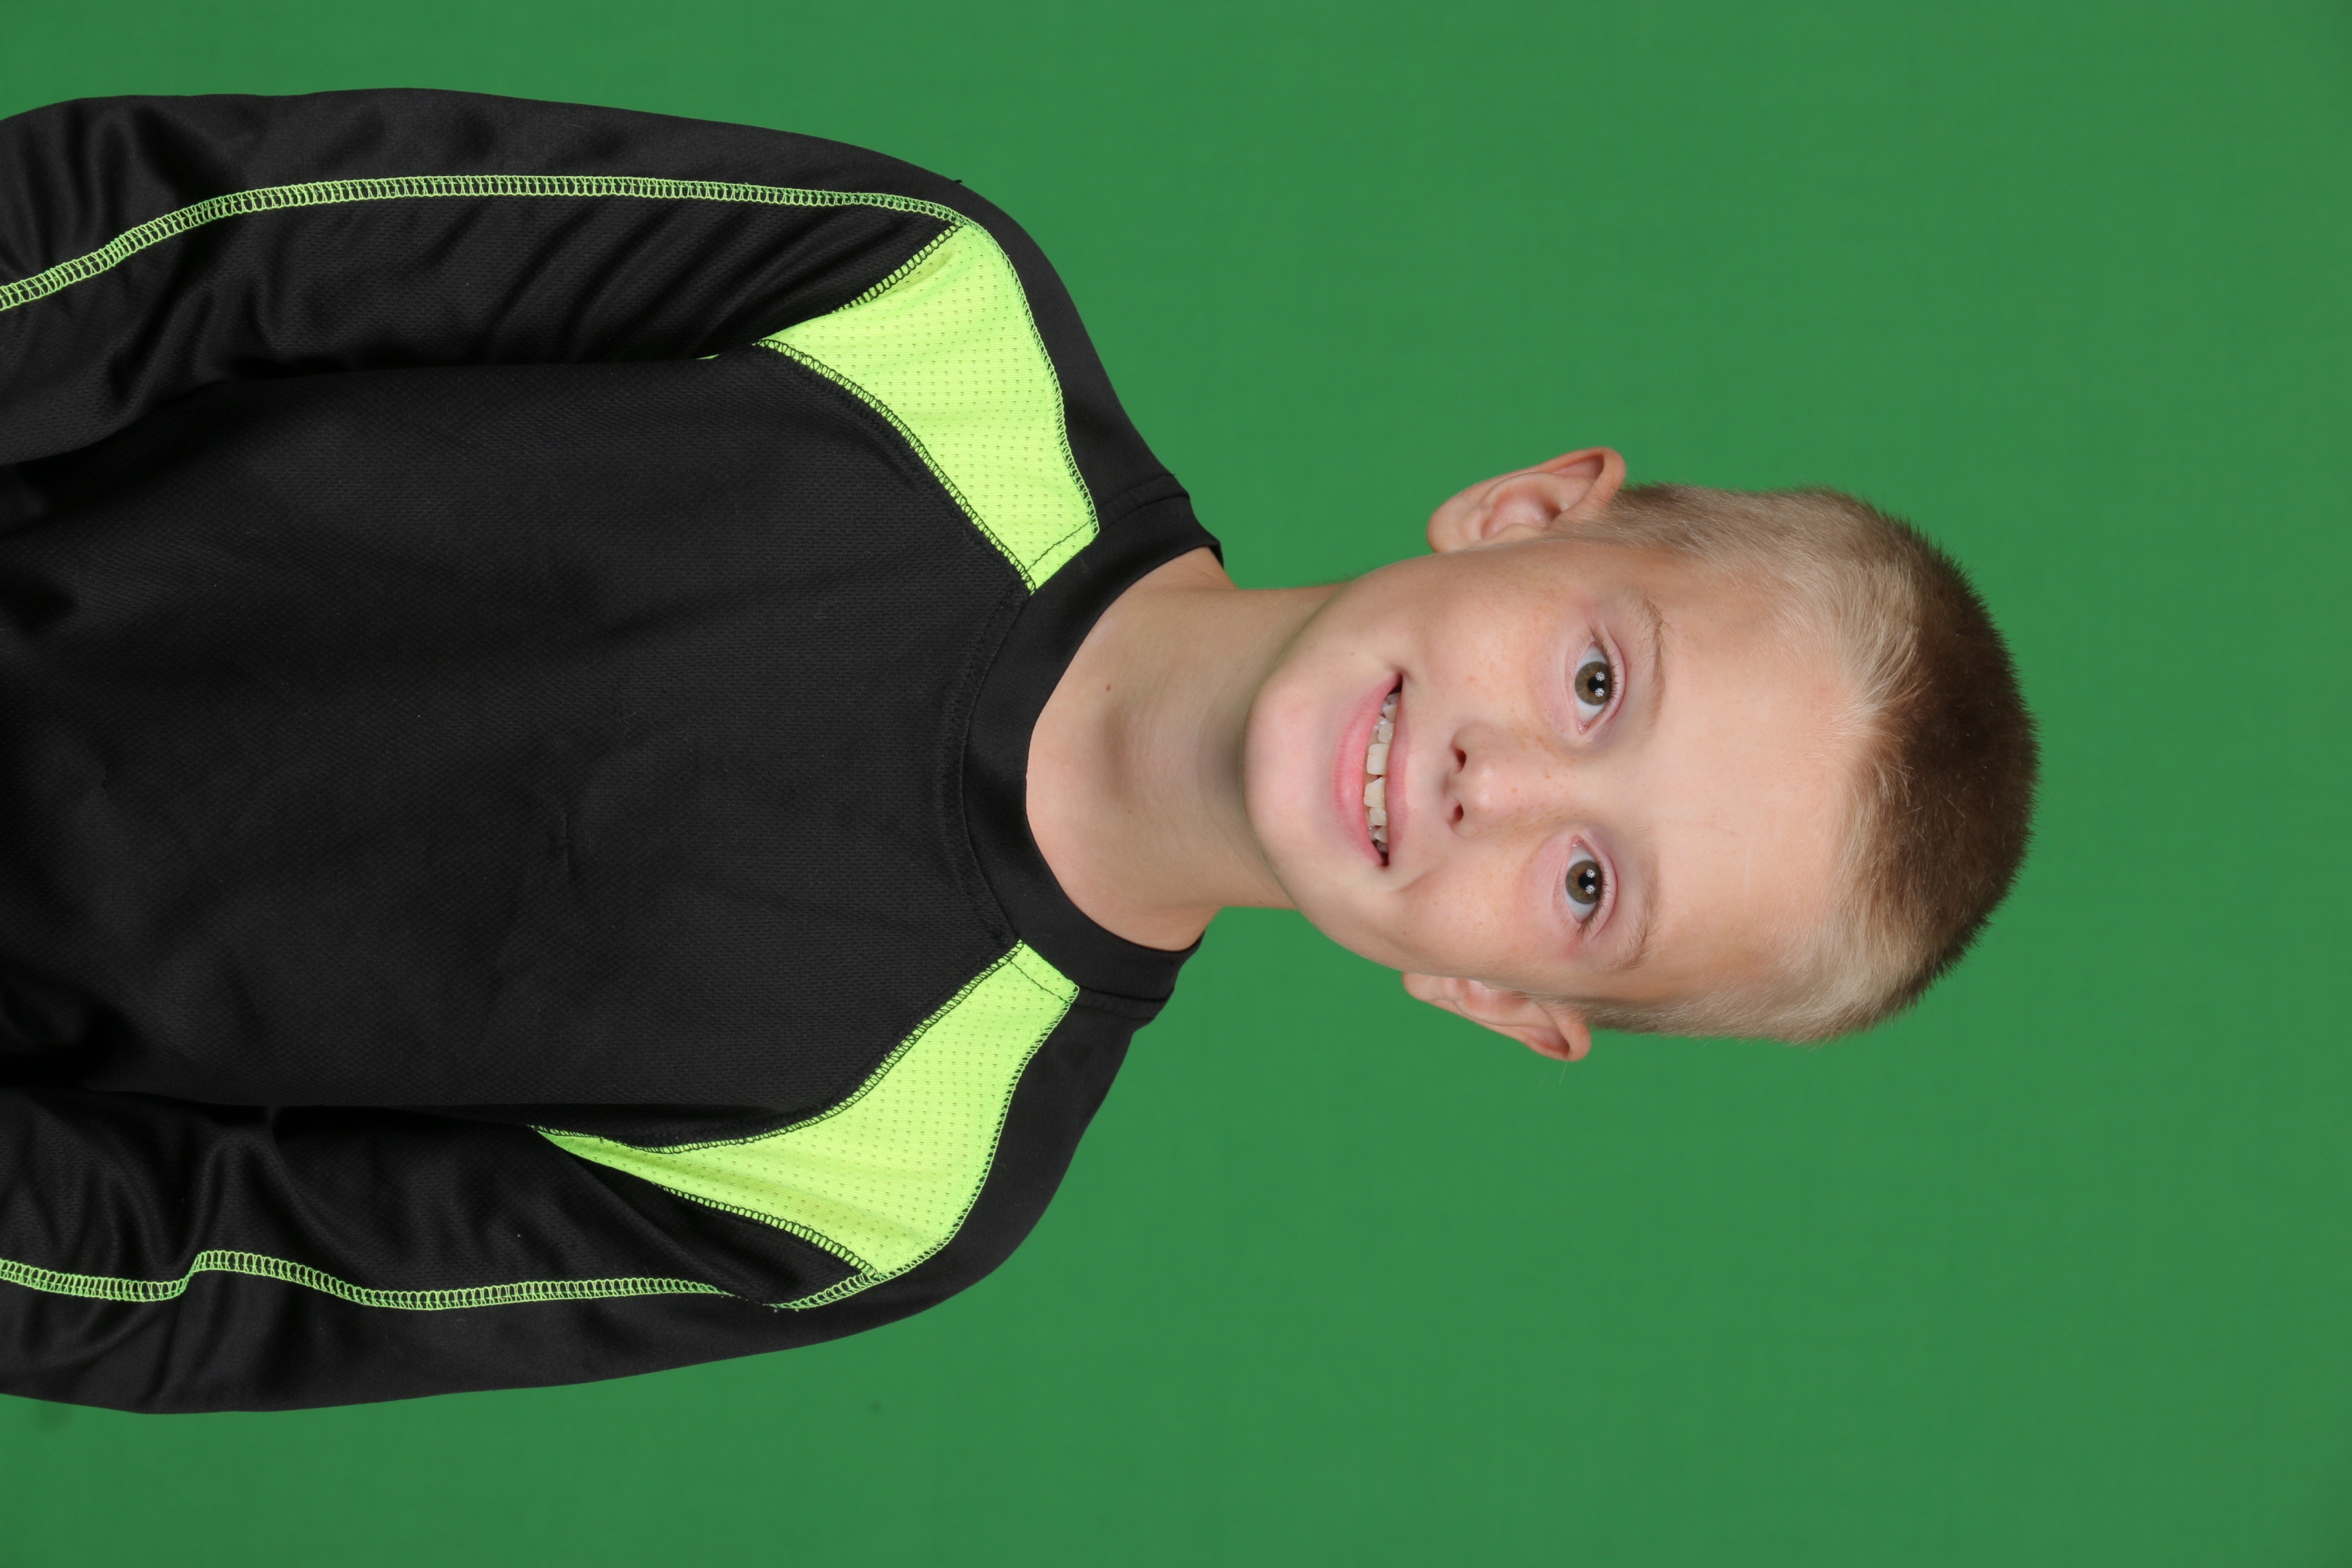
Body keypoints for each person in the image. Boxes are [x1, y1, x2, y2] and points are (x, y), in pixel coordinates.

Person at [0, 90, 2035, 1412]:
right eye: (1598, 685)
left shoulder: (903, 1180)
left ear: (1502, 997)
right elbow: (206, 236)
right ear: (1529, 512)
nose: (1500, 783)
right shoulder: (920, 306)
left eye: (1588, 884)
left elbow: (224, 1279)